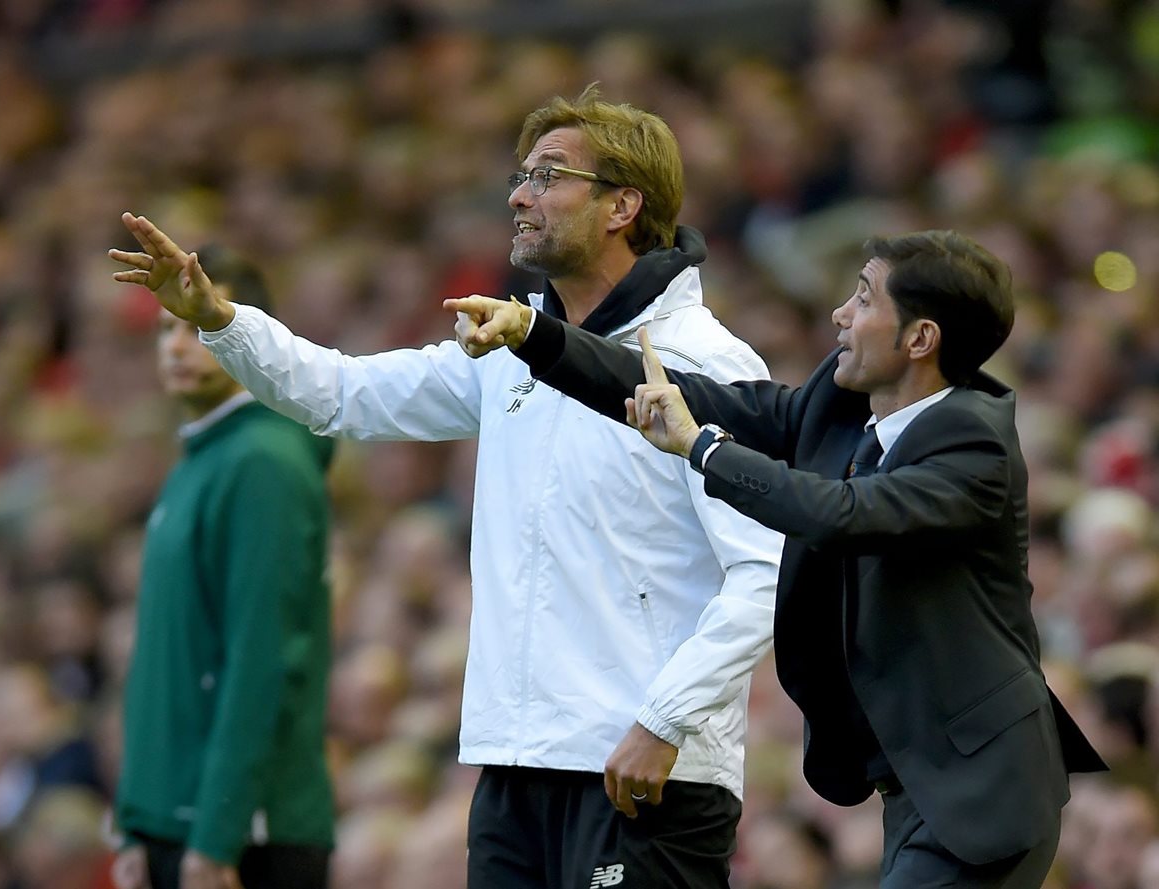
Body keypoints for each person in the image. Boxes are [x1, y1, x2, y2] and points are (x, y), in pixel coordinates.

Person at [109, 86, 784, 889]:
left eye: (547, 175)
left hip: (646, 770)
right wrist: (220, 318)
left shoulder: (711, 363)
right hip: (512, 768)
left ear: (622, 206)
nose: (518, 195)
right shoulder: (513, 355)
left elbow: (765, 571)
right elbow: (341, 394)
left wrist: (664, 718)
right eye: (521, 174)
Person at [446, 229, 1109, 889]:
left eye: (863, 299)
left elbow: (841, 514)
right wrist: (534, 335)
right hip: (917, 789)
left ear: (919, 338)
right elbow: (685, 394)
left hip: (983, 788)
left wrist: (703, 449)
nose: (839, 315)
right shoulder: (844, 407)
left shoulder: (974, 445)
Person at [110, 245, 335, 889]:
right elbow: (167, 664)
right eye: (164, 329)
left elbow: (262, 655)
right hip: (180, 823)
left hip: (238, 837)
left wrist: (217, 836)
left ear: (247, 332)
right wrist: (137, 821)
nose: (176, 347)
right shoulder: (203, 458)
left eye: (195, 326)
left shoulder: (262, 462)